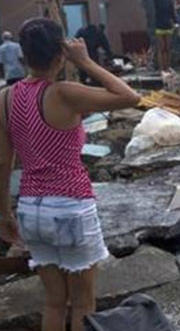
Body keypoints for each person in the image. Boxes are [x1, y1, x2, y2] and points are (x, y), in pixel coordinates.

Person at [0, 18, 140, 331]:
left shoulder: (6, 98)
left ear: (23, 53)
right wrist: (85, 60)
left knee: (53, 302)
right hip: (69, 207)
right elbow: (130, 97)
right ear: (60, 54)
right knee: (82, 303)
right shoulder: (65, 93)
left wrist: (4, 214)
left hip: (30, 210)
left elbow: (3, 163)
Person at [153, 0, 176, 71]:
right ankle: (162, 69)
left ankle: (167, 67)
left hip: (167, 25)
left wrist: (176, 22)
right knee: (162, 49)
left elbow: (172, 11)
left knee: (167, 48)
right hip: (159, 26)